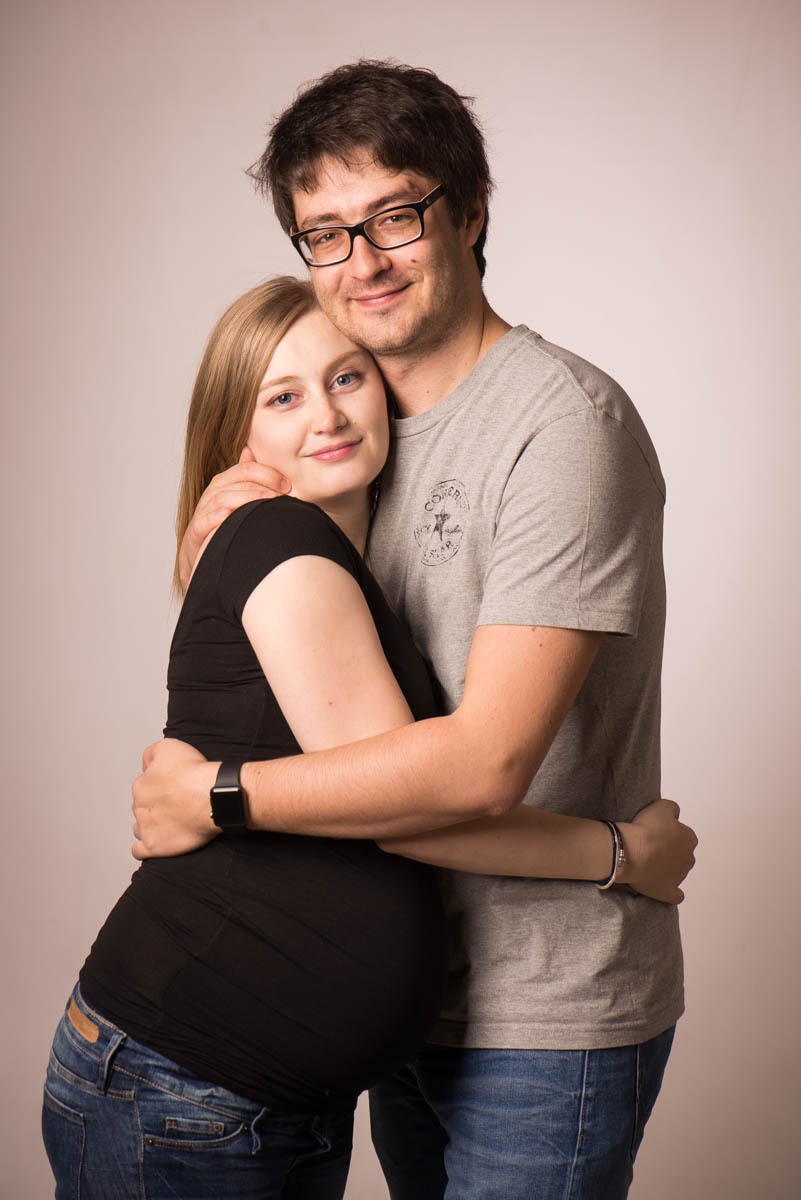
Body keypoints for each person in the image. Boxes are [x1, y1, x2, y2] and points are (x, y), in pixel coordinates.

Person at [132, 62, 698, 1200]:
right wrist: (211, 537)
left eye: (395, 216)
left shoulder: (559, 427)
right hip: (400, 1008)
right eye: (326, 235)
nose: (364, 262)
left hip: (545, 1011)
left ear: (471, 211)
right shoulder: (348, 434)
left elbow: (481, 765)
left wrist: (215, 795)